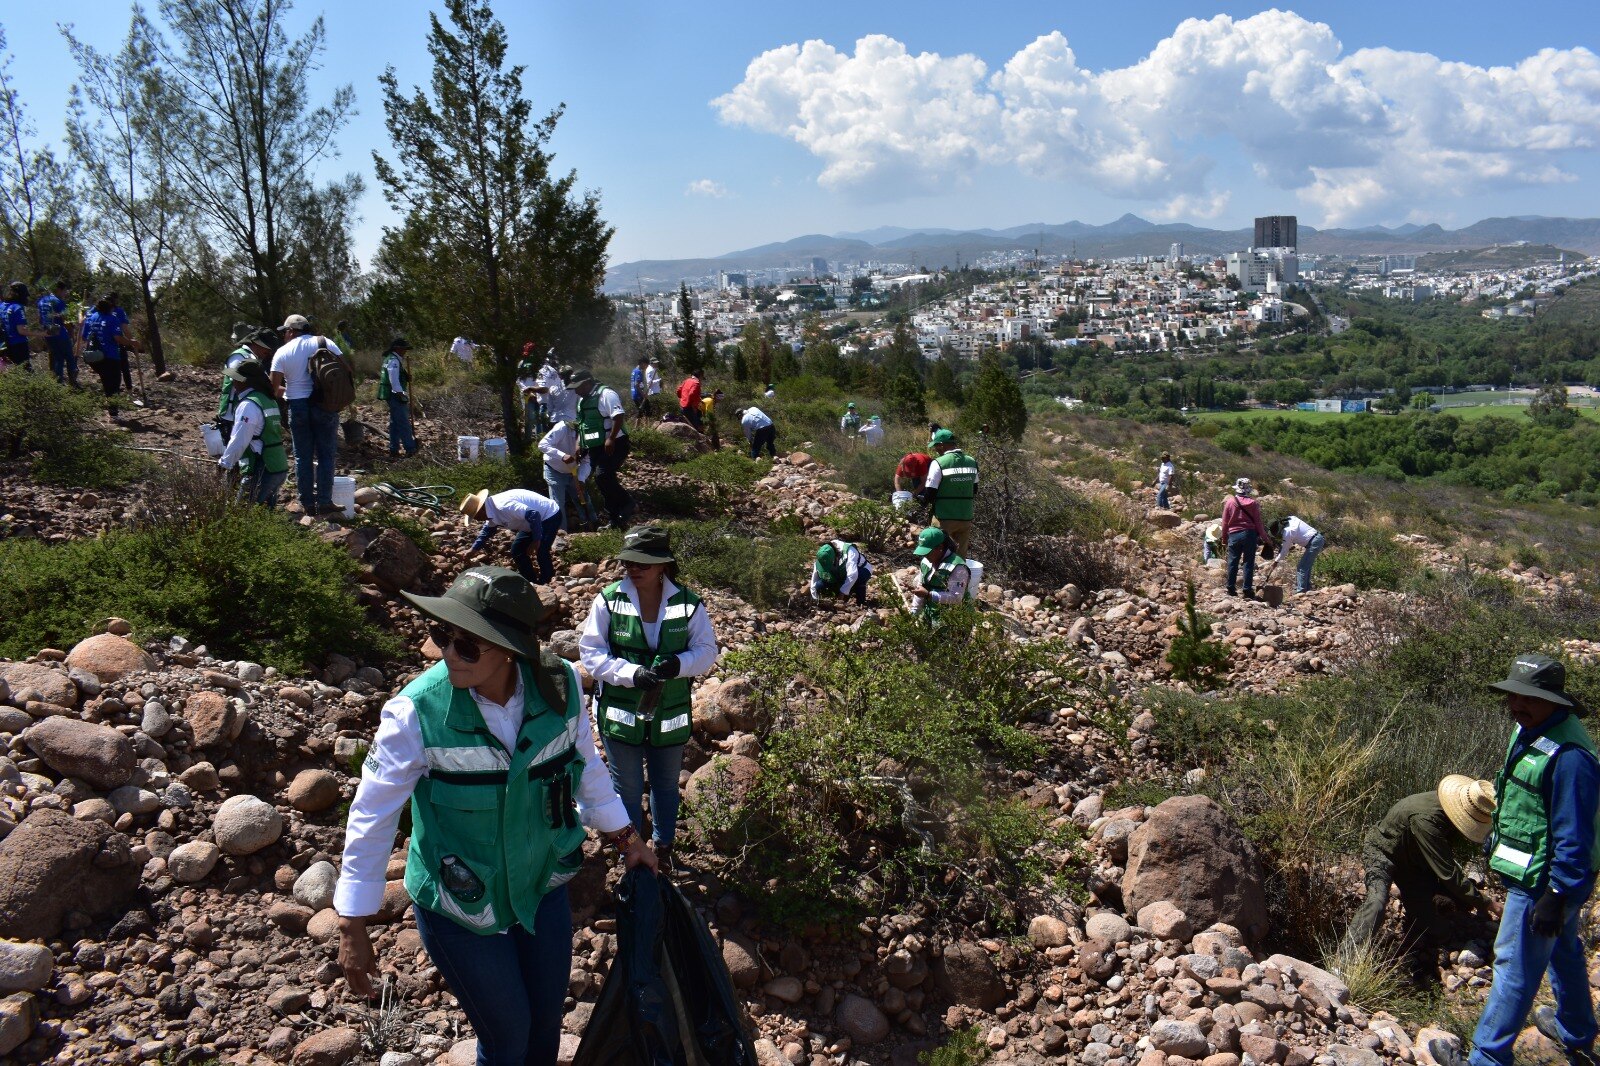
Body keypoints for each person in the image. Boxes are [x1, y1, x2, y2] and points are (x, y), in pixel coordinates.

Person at [335, 567, 655, 1066]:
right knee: (507, 1038)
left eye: (468, 645)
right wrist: (352, 923)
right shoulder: (414, 713)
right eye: (442, 636)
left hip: (541, 887)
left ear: (509, 648)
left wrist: (627, 838)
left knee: (546, 1024)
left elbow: (587, 769)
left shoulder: (561, 685)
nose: (448, 654)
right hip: (460, 906)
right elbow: (372, 816)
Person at [1437, 654, 1600, 1066]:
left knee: (1514, 962)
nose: (1516, 705)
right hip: (1539, 870)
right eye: (1512, 696)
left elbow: (1573, 835)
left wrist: (1558, 893)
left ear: (1554, 701)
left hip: (1546, 878)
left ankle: (1487, 1059)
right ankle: (1577, 1033)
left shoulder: (1571, 758)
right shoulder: (1530, 728)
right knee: (1561, 947)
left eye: (1528, 698)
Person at [579, 525, 719, 872]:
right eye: (629, 561)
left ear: (662, 566)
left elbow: (706, 651)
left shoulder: (688, 603)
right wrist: (631, 674)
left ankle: (664, 846)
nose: (633, 568)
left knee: (666, 785)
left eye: (643, 562)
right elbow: (591, 654)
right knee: (624, 784)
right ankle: (630, 849)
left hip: (669, 715)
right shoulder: (609, 599)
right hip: (620, 714)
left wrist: (679, 663)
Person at [1342, 776, 1499, 953]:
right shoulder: (1427, 820)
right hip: (1382, 852)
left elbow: (1443, 860)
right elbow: (1447, 872)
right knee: (1377, 901)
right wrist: (1487, 903)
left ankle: (1427, 911)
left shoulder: (1449, 807)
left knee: (1439, 931)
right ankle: (1344, 959)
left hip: (1413, 862)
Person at [270, 315, 343, 515]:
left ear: (292, 331)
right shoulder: (325, 342)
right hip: (325, 404)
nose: (284, 335)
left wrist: (289, 390)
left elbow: (273, 387)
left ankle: (307, 504)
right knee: (326, 455)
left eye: (285, 331)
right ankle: (325, 501)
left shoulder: (282, 352)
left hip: (298, 406)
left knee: (303, 457)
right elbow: (345, 369)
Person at [217, 358, 288, 508]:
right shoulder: (269, 400)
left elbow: (239, 440)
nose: (233, 383)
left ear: (245, 381)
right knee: (265, 512)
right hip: (277, 465)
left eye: (235, 379)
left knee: (244, 513)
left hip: (262, 467)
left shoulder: (248, 405)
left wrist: (224, 464)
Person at [460, 489, 565, 586]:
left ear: (481, 510)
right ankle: (530, 581)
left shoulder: (503, 506)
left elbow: (534, 515)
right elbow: (487, 531)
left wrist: (536, 540)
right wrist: (473, 549)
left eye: (476, 516)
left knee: (541, 549)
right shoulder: (489, 510)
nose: (477, 520)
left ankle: (547, 581)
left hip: (549, 515)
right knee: (517, 550)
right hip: (530, 523)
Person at [571, 371, 634, 528]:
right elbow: (582, 425)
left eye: (577, 387)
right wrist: (579, 444)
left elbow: (618, 416)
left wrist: (611, 438)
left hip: (615, 443)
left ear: (587, 383)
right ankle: (615, 519)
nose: (575, 391)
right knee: (602, 482)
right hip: (594, 446)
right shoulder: (582, 401)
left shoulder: (606, 394)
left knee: (603, 475)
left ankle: (628, 503)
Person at [921, 428, 978, 556]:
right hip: (965, 516)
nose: (935, 449)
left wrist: (922, 503)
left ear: (941, 445)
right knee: (960, 554)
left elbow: (930, 492)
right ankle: (958, 576)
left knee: (937, 551)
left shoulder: (938, 463)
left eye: (936, 446)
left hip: (944, 516)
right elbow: (974, 489)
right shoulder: (972, 461)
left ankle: (938, 575)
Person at [538, 419, 599, 532]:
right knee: (557, 504)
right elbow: (542, 444)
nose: (580, 450)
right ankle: (561, 532)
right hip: (554, 470)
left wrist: (581, 479)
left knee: (583, 498)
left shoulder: (592, 436)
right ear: (576, 436)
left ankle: (593, 525)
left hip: (574, 473)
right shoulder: (562, 428)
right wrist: (561, 455)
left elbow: (587, 462)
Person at [217, 326, 274, 442]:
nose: (268, 353)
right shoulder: (239, 355)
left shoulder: (254, 358)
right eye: (267, 349)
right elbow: (235, 377)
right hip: (232, 413)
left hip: (246, 412)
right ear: (257, 344)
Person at [1221, 478, 1273, 599]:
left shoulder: (1229, 502)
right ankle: (1247, 589)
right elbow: (1258, 523)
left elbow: (1225, 522)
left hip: (1234, 534)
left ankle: (1230, 587)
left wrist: (1224, 537)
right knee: (1248, 562)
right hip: (1249, 534)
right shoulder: (1253, 503)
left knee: (1233, 561)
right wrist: (1266, 538)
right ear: (1248, 489)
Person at [908, 526, 970, 623]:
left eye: (928, 552)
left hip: (953, 618)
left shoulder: (957, 567)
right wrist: (914, 613)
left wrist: (929, 595)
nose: (925, 556)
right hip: (930, 613)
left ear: (940, 547)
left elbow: (956, 598)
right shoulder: (925, 562)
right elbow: (921, 589)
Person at [379, 337, 419, 458]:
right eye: (403, 348)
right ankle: (410, 448)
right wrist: (400, 392)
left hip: (391, 394)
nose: (405, 351)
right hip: (395, 394)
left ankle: (394, 448)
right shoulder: (394, 361)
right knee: (403, 422)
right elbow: (393, 379)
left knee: (395, 423)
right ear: (397, 348)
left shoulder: (392, 359)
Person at [1269, 515, 1326, 595]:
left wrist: (1275, 562)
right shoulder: (1291, 518)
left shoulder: (1288, 532)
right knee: (1306, 566)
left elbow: (1285, 551)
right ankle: (1307, 589)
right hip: (1317, 539)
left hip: (1314, 542)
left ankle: (1301, 591)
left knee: (1302, 567)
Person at [80, 296, 125, 396]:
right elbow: (118, 338)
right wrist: (131, 343)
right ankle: (113, 408)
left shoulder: (91, 317)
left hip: (94, 357)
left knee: (106, 382)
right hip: (110, 357)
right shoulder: (112, 319)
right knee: (114, 383)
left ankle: (112, 407)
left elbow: (84, 337)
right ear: (110, 308)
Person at [39, 280, 76, 385]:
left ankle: (56, 384)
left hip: (48, 333)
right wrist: (72, 335)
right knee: (69, 358)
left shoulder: (42, 301)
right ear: (59, 290)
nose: (65, 293)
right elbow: (66, 321)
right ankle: (71, 383)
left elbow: (40, 320)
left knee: (57, 358)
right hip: (60, 334)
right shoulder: (59, 302)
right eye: (65, 291)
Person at [811, 539, 871, 605]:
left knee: (860, 577)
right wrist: (815, 598)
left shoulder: (850, 550)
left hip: (861, 569)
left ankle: (861, 603)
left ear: (835, 557)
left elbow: (853, 574)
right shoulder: (822, 556)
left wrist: (842, 593)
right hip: (841, 572)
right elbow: (814, 579)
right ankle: (844, 593)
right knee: (820, 585)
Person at [0, 282, 42, 371]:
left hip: (7, 345)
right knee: (26, 372)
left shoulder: (3, 306)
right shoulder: (18, 308)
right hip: (19, 345)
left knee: (16, 371)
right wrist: (42, 333)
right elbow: (21, 331)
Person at [629, 355, 651, 422]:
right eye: (646, 365)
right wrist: (643, 394)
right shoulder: (638, 372)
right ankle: (646, 427)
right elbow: (636, 385)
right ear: (642, 363)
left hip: (634, 395)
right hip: (638, 395)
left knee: (640, 411)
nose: (646, 367)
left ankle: (637, 429)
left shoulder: (634, 371)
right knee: (647, 408)